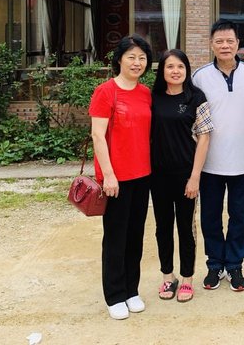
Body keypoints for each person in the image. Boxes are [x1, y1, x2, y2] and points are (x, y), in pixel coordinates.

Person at [192, 19, 244, 291]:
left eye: (230, 41)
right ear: (211, 44)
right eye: (219, 41)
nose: (225, 45)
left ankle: (234, 265)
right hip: (210, 162)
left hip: (243, 161)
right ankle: (214, 265)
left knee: (239, 216)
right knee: (210, 216)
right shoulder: (200, 77)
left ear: (238, 44)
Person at [88, 34, 154, 320]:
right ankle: (114, 295)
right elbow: (97, 135)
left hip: (143, 175)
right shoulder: (106, 92)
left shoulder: (146, 93)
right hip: (116, 178)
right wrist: (109, 175)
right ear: (119, 60)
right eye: (131, 57)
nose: (137, 63)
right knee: (116, 236)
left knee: (135, 236)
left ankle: (131, 290)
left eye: (142, 58)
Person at [150, 49, 213, 303]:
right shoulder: (153, 97)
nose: (175, 71)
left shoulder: (196, 97)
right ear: (162, 71)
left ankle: (187, 278)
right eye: (170, 66)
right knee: (162, 227)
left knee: (186, 227)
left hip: (186, 174)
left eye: (180, 66)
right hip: (157, 174)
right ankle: (168, 276)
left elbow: (204, 137)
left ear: (187, 70)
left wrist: (195, 176)